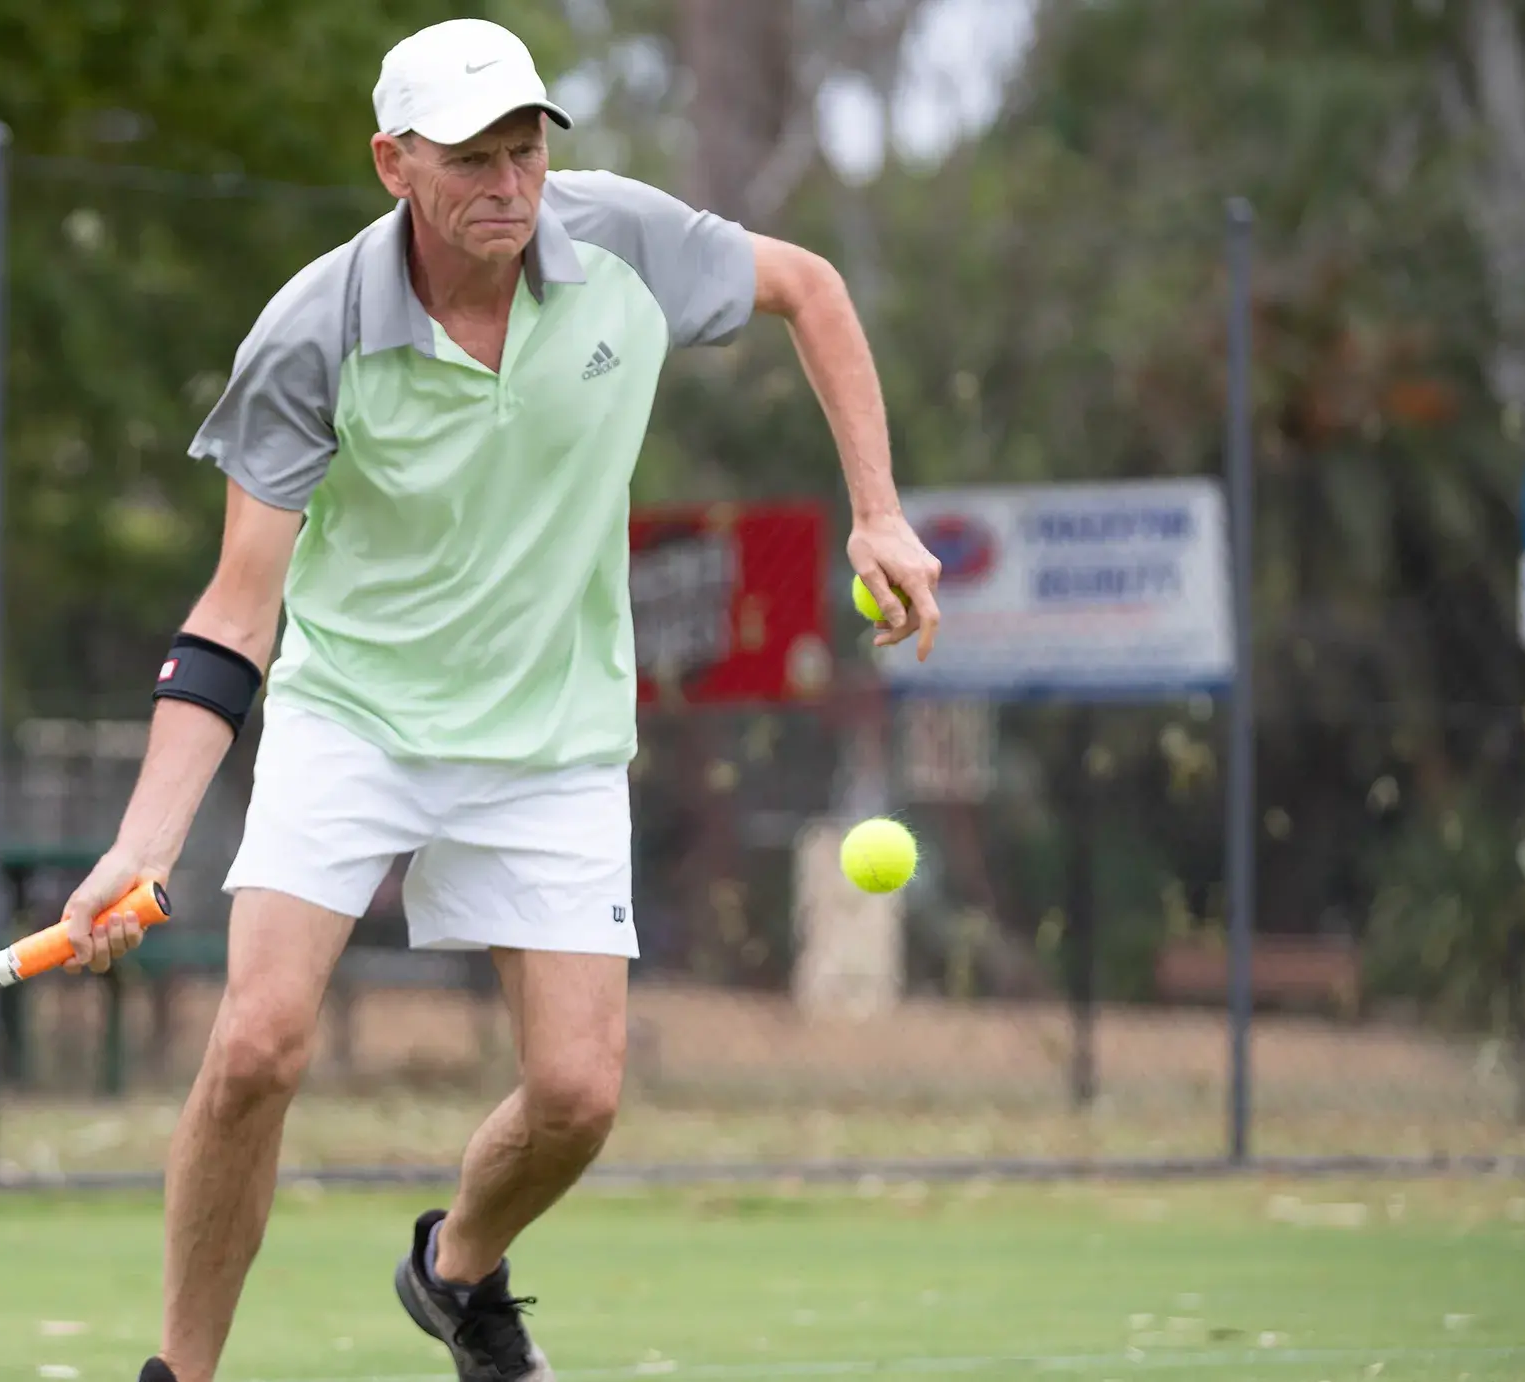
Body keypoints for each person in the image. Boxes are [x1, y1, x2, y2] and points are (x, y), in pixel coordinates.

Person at [57, 17, 943, 1382]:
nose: (510, 184)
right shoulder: (312, 333)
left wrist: (876, 512)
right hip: (353, 716)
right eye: (472, 158)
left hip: (552, 733)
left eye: (525, 149)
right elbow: (235, 615)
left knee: (579, 1095)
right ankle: (181, 1372)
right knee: (257, 1046)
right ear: (394, 165)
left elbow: (810, 289)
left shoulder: (623, 243)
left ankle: (455, 1269)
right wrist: (145, 840)